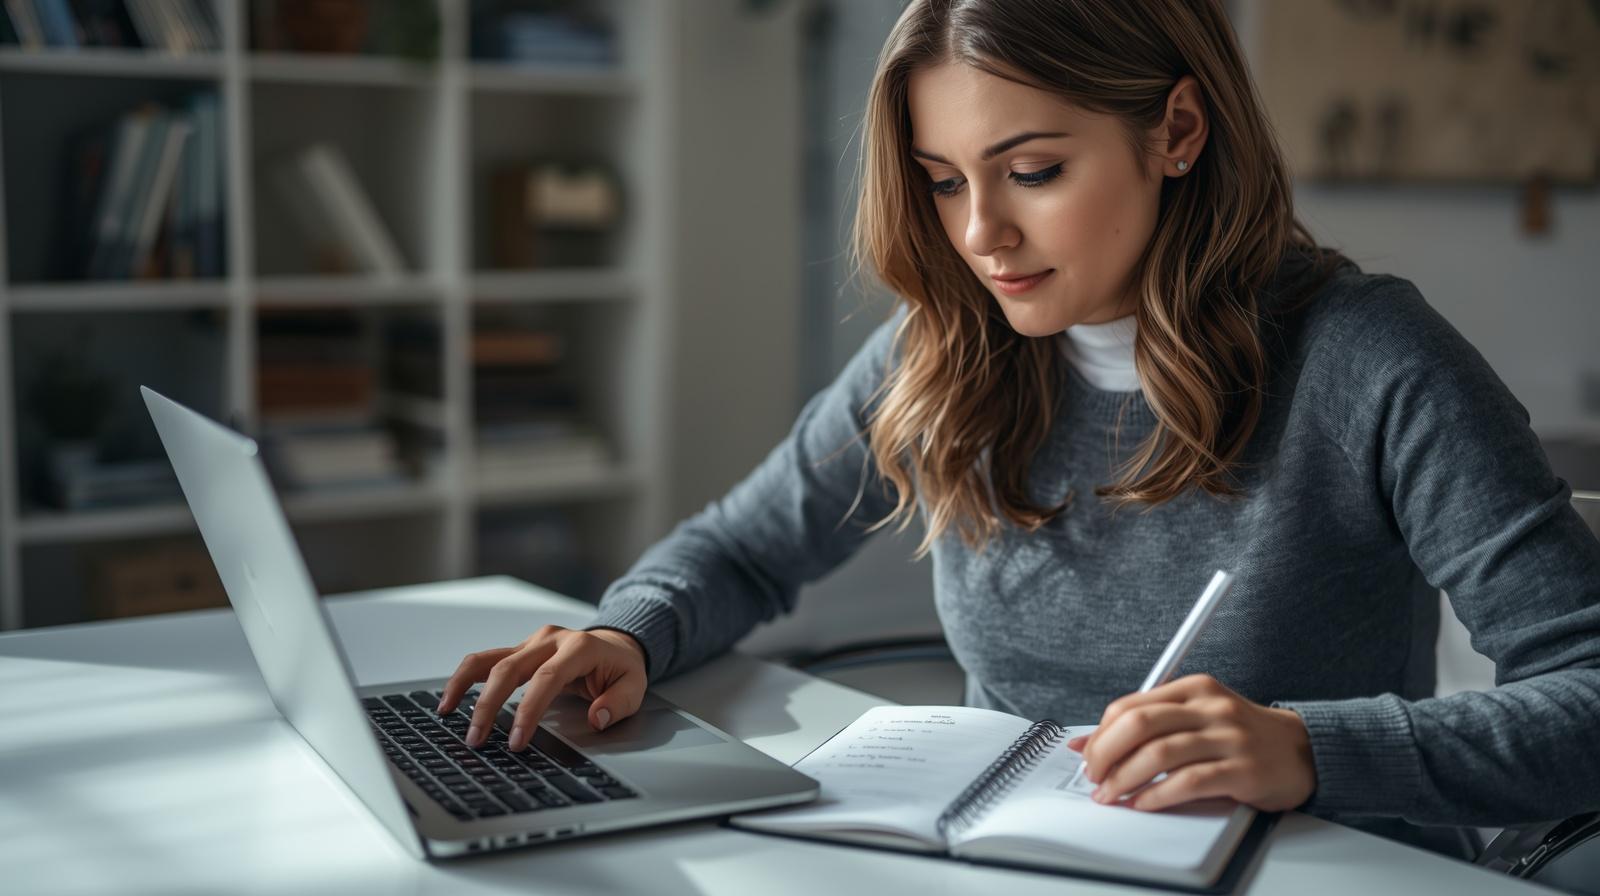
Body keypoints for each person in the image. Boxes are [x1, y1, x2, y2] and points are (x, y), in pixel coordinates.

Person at [439, 0, 1600, 855]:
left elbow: (1584, 690)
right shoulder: (939, 351)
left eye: (1032, 168)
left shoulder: (1368, 358)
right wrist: (630, 636)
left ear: (1178, 131)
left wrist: (1307, 747)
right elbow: (741, 547)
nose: (981, 232)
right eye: (942, 181)